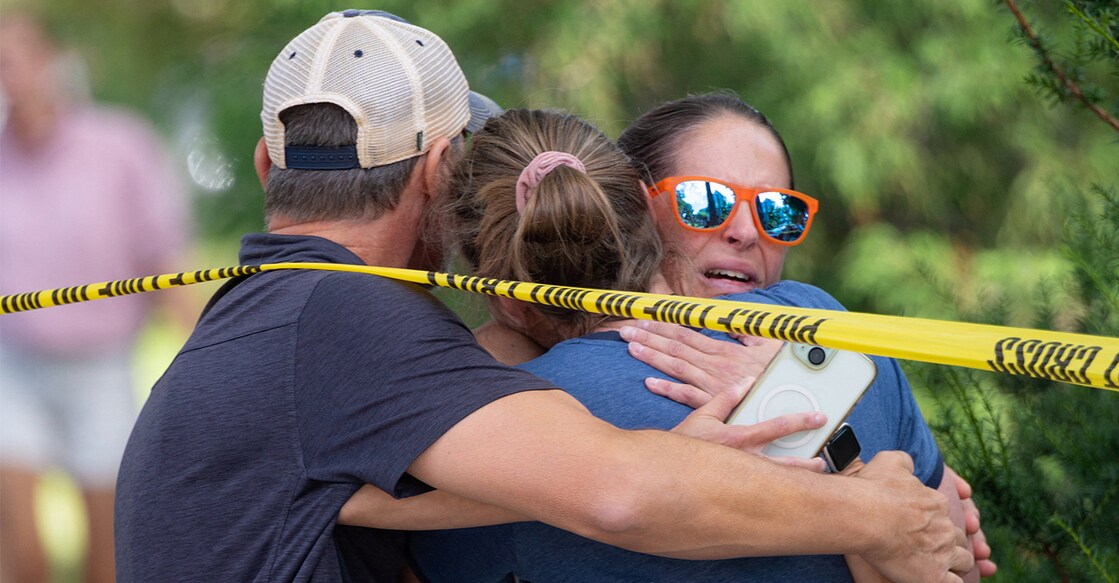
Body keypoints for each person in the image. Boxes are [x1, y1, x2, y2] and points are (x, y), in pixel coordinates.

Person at [113, 11, 972, 582]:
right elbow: (618, 493)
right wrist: (876, 510)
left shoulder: (276, 311)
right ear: (437, 174)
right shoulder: (347, 317)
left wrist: (692, 454)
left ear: (268, 167)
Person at [390, 106, 968, 581]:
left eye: (778, 211)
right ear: (640, 206)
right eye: (705, 201)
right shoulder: (828, 328)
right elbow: (951, 557)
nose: (744, 230)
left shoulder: (493, 421)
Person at [0, 13, 193, 583]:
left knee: (105, 556)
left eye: (12, 60)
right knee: (22, 548)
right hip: (13, 367)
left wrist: (199, 359)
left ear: (50, 61)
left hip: (102, 369)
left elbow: (162, 261)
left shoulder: (120, 146)